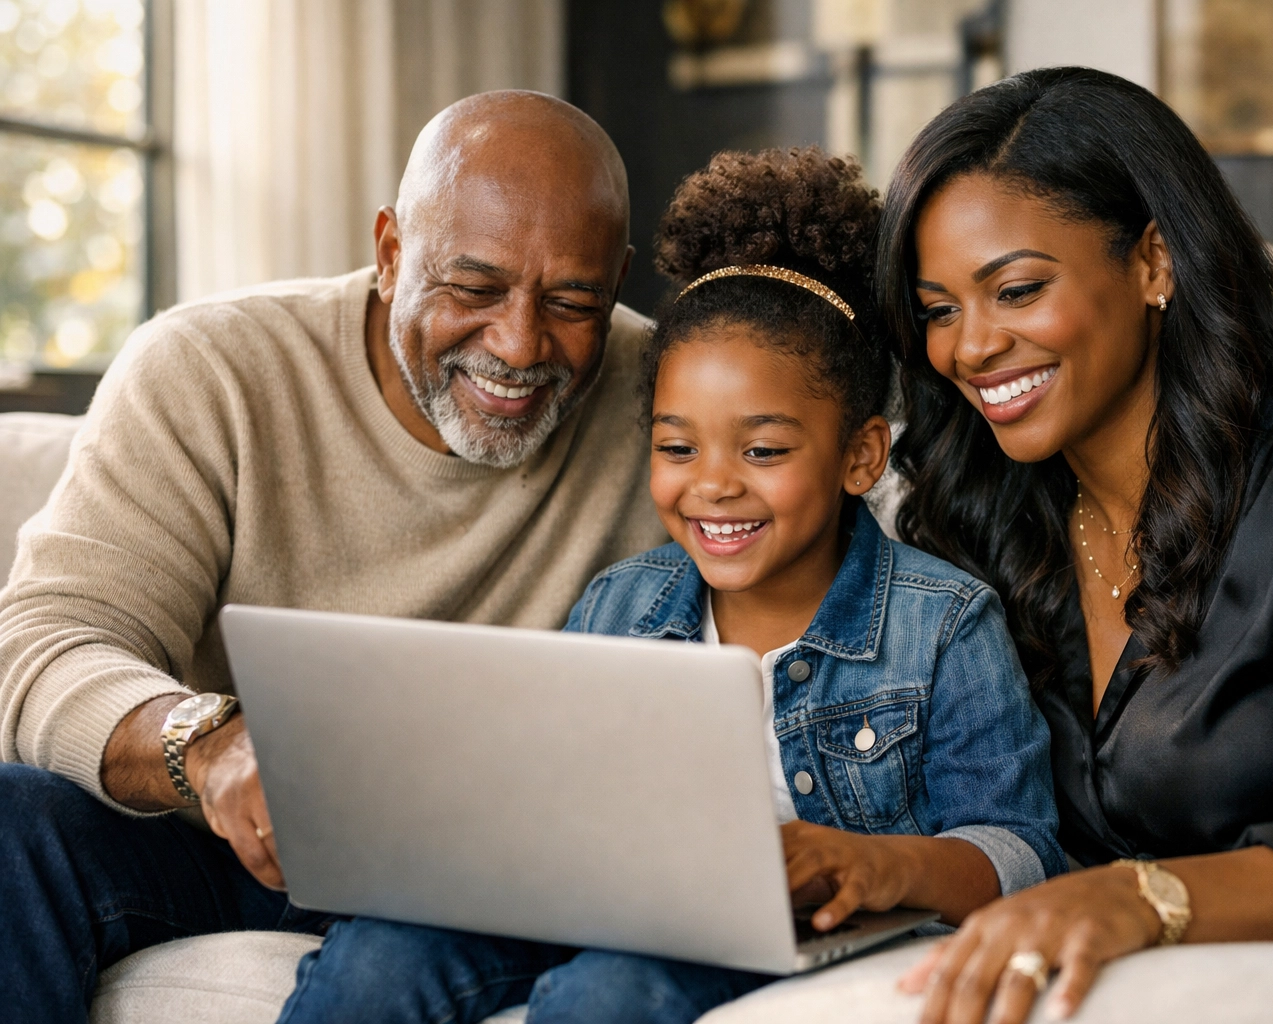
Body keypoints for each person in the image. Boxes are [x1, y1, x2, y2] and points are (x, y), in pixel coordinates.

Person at [270, 147, 1067, 1024]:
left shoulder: (943, 623)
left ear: (860, 456)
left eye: (763, 451)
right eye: (677, 447)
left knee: (608, 994)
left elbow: (1021, 848)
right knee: (381, 955)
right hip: (614, 907)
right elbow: (552, 801)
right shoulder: (620, 605)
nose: (713, 485)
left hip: (811, 933)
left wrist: (879, 864)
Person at [869, 67, 1273, 1024]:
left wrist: (1139, 898)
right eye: (938, 309)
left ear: (1154, 262)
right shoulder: (992, 516)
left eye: (1015, 289)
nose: (969, 348)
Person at [0, 91, 669, 1023]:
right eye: (473, 289)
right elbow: (44, 644)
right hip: (232, 844)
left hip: (481, 880)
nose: (519, 346)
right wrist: (212, 748)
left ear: (619, 280)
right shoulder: (210, 369)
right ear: (391, 255)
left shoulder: (670, 403)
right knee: (8, 821)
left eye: (572, 302)